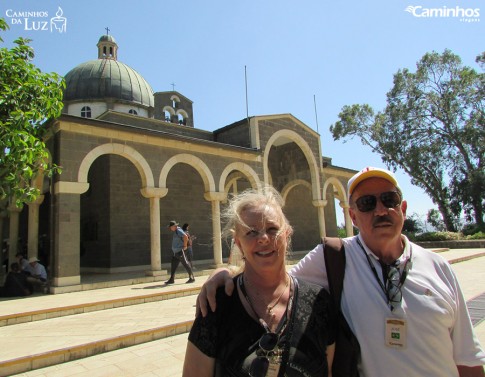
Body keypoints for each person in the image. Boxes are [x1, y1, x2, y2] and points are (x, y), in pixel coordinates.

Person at [198, 167, 485, 377]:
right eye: (367, 203)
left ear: (403, 208)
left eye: (389, 200)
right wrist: (227, 272)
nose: (380, 210)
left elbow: (468, 360)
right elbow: (274, 278)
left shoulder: (440, 268)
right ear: (352, 215)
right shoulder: (334, 258)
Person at [183, 187, 336, 376]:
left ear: (287, 235)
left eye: (272, 229)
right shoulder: (217, 306)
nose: (263, 238)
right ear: (238, 242)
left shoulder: (318, 302)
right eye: (251, 232)